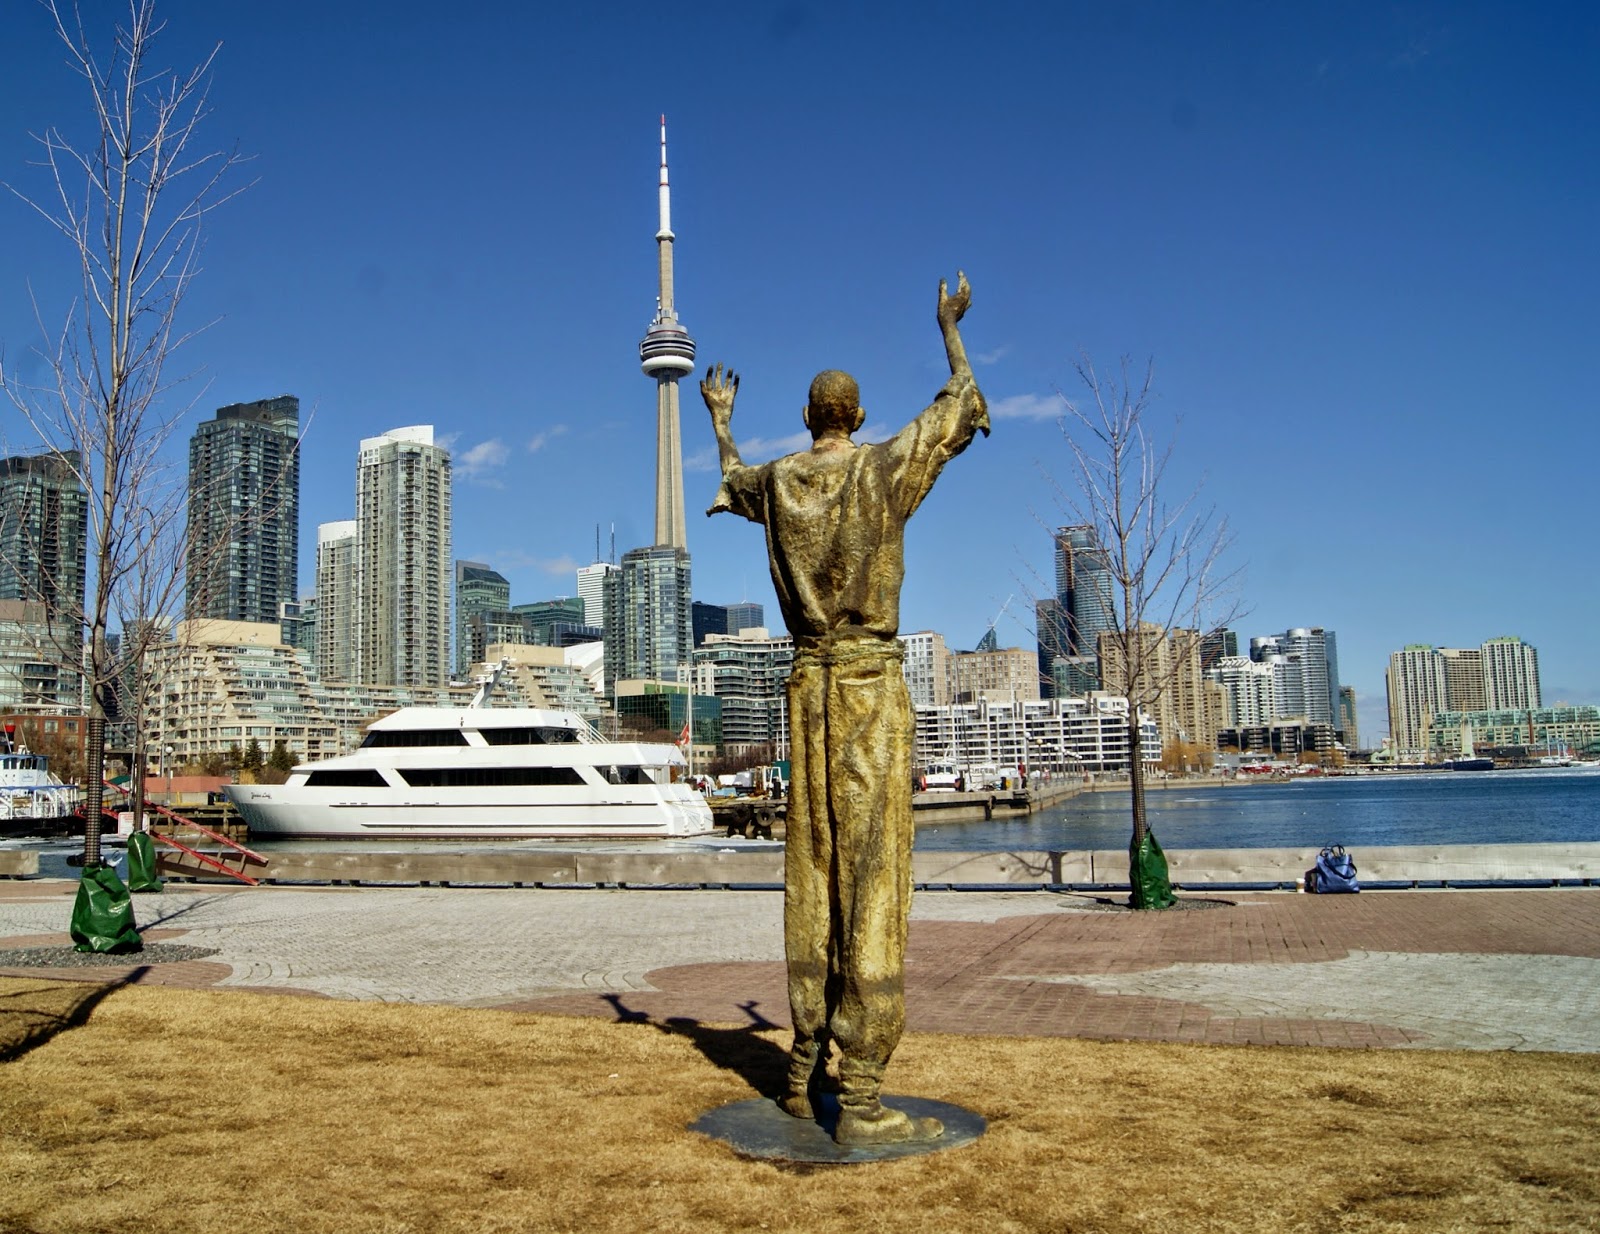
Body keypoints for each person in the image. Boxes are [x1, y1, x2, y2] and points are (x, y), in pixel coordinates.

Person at [702, 272, 988, 1145]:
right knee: (873, 875)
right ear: (855, 419)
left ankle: (801, 1069)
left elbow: (734, 476)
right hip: (865, 686)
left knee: (813, 869)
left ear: (807, 417)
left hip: (806, 688)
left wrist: (718, 414)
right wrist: (949, 329)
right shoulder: (880, 470)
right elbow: (959, 409)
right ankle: (858, 1092)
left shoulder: (781, 481)